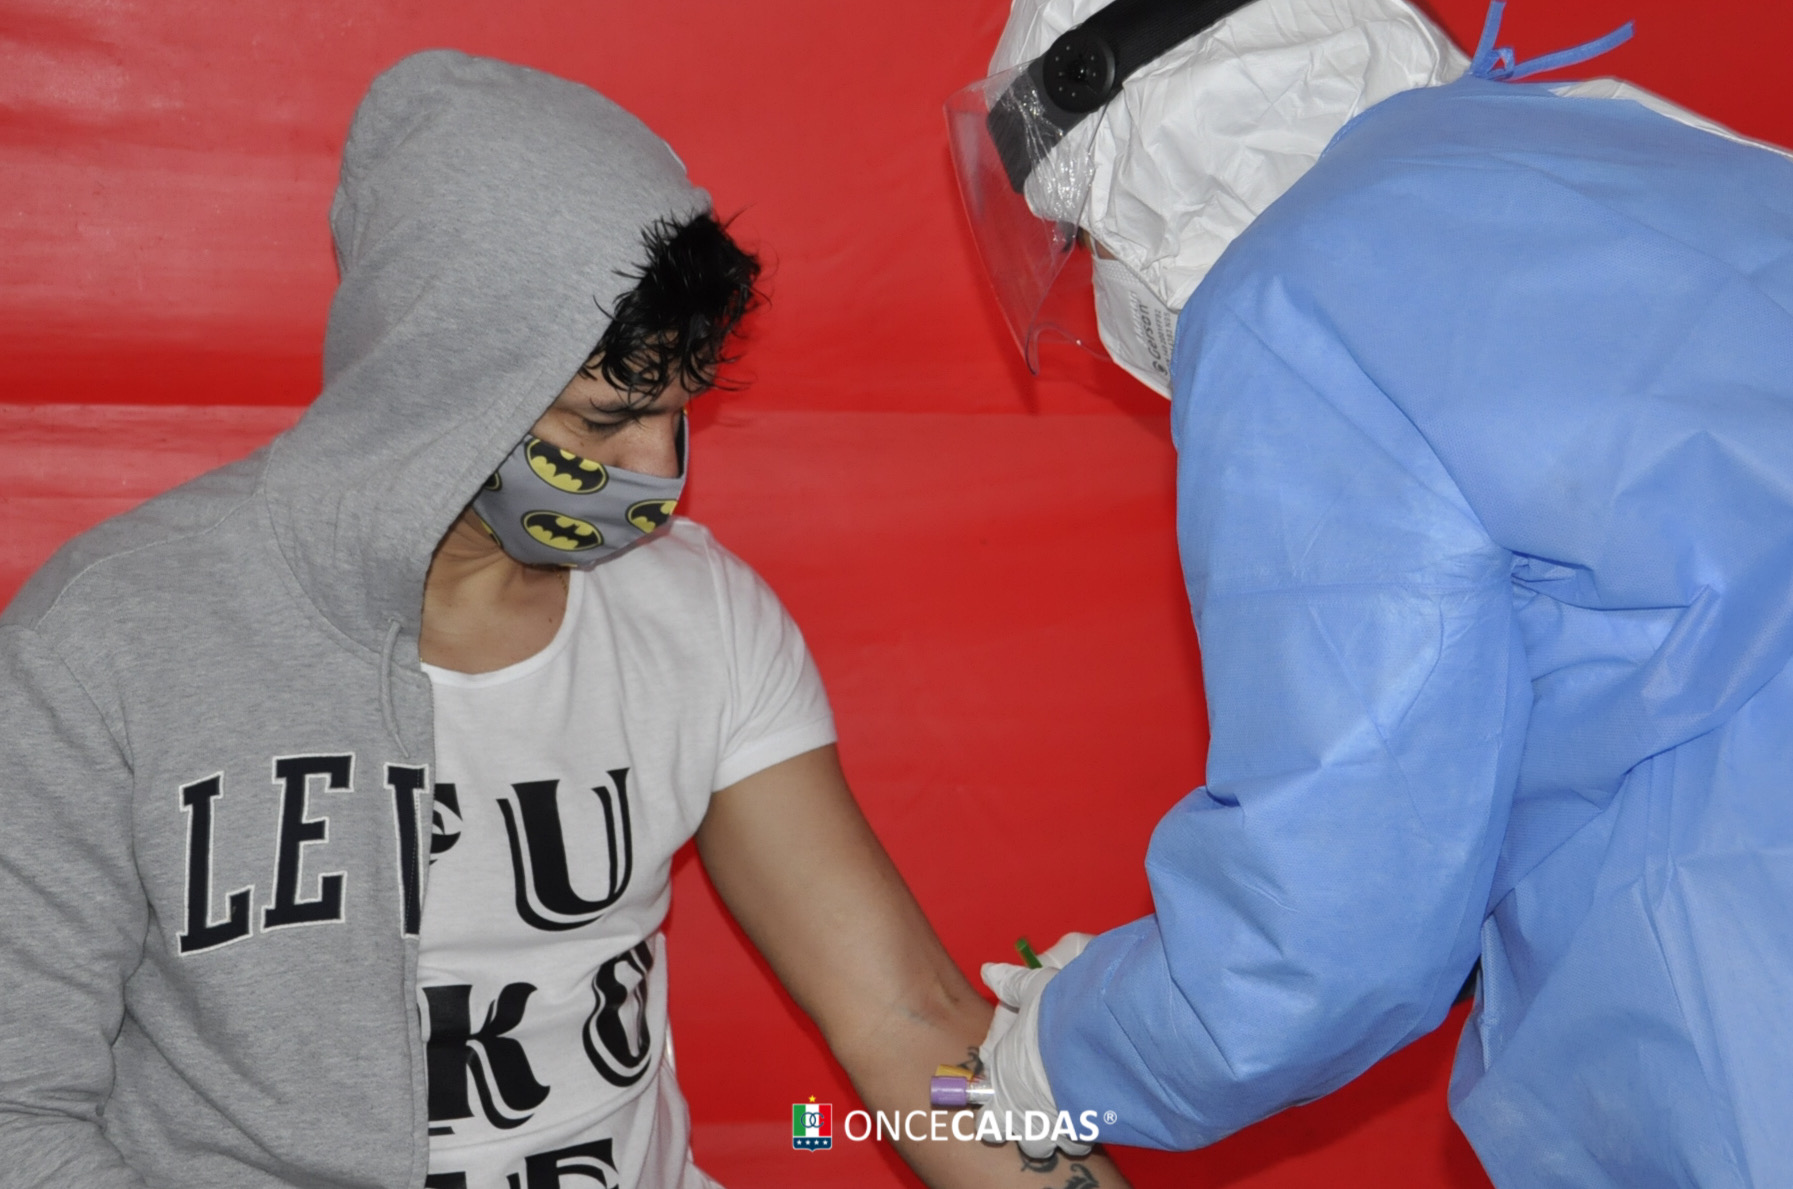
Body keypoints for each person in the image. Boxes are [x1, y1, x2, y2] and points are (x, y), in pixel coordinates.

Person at [0, 50, 1132, 1189]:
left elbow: (904, 1016)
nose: (657, 471)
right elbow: (19, 1117)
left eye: (677, 412)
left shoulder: (696, 614)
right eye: (603, 419)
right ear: (436, 379)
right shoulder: (108, 640)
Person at [950, 0, 1793, 1184]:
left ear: (1139, 133)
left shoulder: (1296, 301)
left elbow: (1331, 913)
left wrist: (1069, 1054)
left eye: (1089, 239)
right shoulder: (1618, 148)